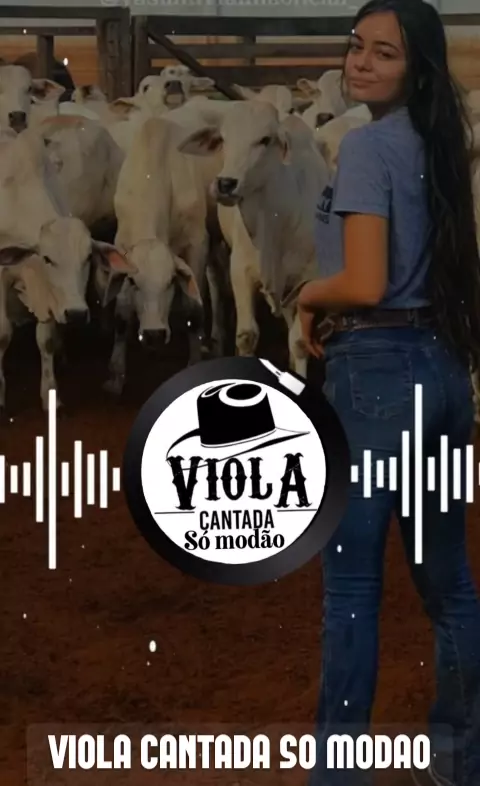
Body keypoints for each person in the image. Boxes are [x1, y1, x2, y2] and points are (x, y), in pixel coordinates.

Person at [297, 1, 480, 784]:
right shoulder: (441, 145)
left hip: (375, 377)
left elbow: (366, 281)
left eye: (385, 53)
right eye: (356, 46)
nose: (361, 62)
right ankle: (462, 760)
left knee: (351, 588)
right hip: (443, 370)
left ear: (418, 71)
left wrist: (309, 295)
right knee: (447, 581)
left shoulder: (366, 147)